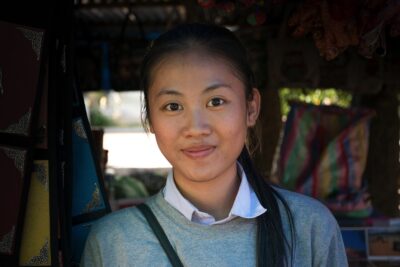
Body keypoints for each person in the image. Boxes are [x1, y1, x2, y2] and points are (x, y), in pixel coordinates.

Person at [81, 23, 348, 267]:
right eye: (173, 106)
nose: (196, 128)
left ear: (251, 108)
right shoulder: (113, 242)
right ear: (150, 118)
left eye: (216, 101)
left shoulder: (309, 227)